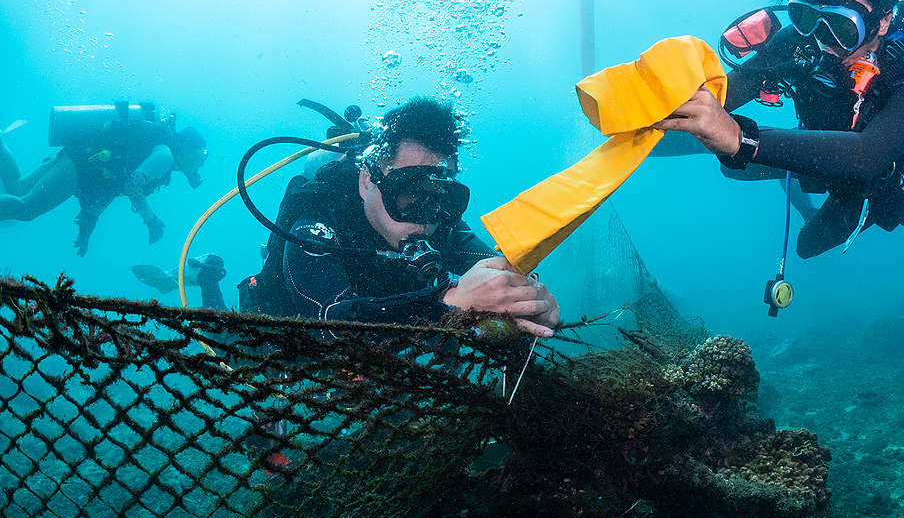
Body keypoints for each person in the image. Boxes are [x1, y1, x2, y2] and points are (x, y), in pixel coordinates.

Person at [653, 0, 904, 257]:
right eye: (805, 16)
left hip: (867, 172)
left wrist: (742, 140)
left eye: (842, 25)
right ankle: (787, 162)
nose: (822, 39)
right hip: (817, 143)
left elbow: (869, 155)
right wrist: (666, 112)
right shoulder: (802, 40)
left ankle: (803, 172)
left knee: (807, 246)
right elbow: (728, 92)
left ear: (881, 22)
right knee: (728, 165)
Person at [242, 96, 560, 337]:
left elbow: (495, 271)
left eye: (439, 195)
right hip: (285, 341)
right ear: (368, 180)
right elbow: (331, 320)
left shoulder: (438, 221)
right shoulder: (319, 218)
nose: (424, 218)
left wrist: (528, 296)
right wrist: (449, 300)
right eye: (408, 191)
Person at [0, 104, 207, 256]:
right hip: (81, 168)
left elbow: (112, 185)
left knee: (17, 189)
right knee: (26, 209)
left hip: (80, 158)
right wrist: (150, 219)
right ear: (187, 150)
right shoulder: (165, 156)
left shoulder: (163, 157)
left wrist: (88, 225)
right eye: (200, 156)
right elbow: (132, 184)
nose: (201, 163)